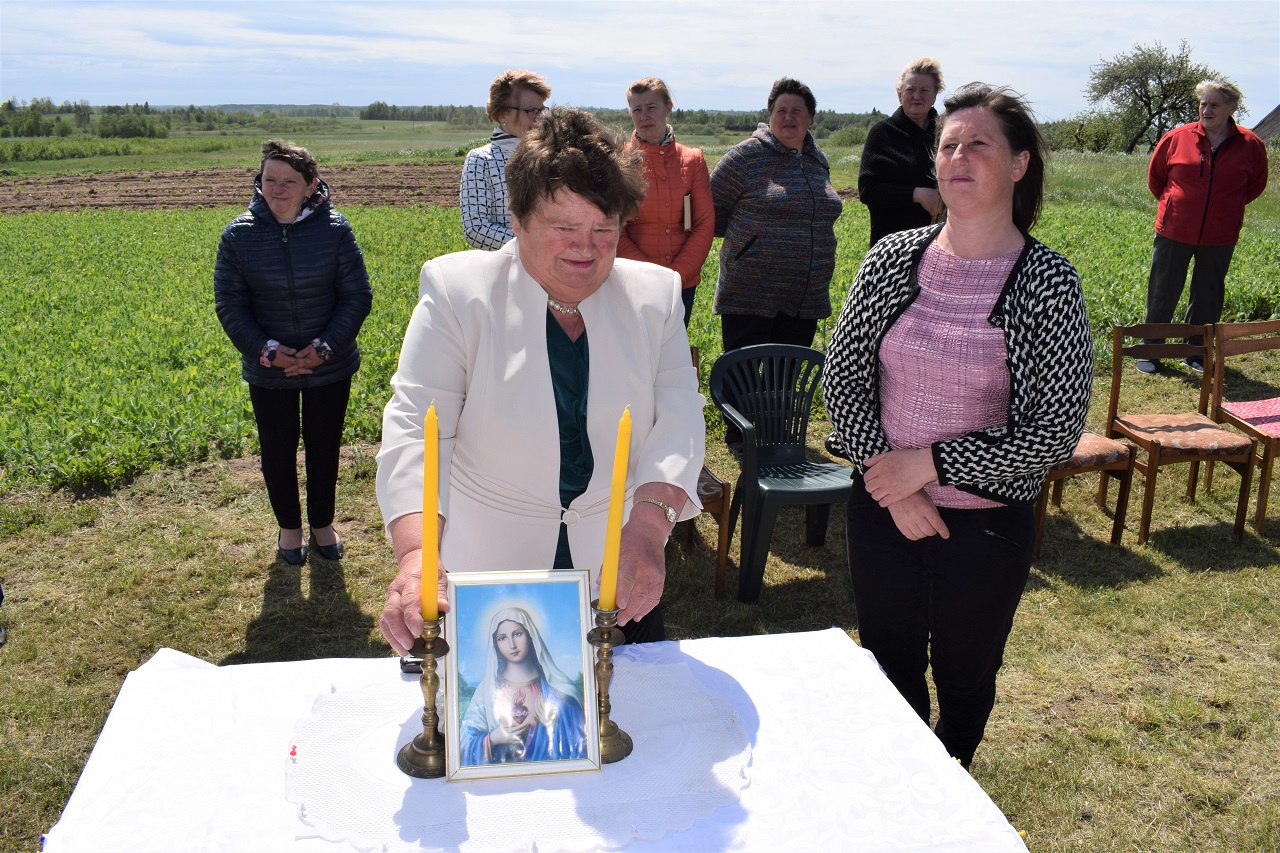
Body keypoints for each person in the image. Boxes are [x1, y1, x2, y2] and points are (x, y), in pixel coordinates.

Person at [822, 84, 1093, 769]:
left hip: (988, 526)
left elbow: (1056, 429)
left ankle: (950, 779)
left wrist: (932, 463)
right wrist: (896, 484)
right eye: (947, 145)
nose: (958, 157)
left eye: (979, 144)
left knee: (966, 675)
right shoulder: (891, 260)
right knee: (887, 666)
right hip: (883, 506)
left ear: (1020, 164)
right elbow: (843, 381)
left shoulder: (1048, 282)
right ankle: (901, 781)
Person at [377, 107, 705, 654]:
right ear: (518, 219)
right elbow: (416, 428)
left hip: (617, 567)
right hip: (488, 568)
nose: (586, 248)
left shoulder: (657, 297)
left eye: (604, 229)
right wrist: (416, 554)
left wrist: (649, 529)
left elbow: (678, 419)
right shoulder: (458, 293)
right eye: (564, 228)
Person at [215, 140, 373, 565]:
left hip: (329, 365)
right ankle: (289, 528)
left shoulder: (335, 229)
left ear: (311, 185)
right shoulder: (238, 234)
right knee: (276, 450)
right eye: (270, 180)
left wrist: (324, 348)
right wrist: (266, 351)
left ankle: (322, 524)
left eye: (288, 181)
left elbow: (356, 295)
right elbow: (230, 304)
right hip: (270, 369)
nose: (278, 189)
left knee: (324, 447)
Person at [1136, 78, 1269, 375]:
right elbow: (1157, 179)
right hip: (1174, 230)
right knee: (1162, 291)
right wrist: (1177, 205)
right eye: (1203, 103)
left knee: (1208, 295)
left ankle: (1195, 352)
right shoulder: (1176, 138)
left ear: (1232, 107)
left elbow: (1255, 186)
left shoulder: (1251, 145)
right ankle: (1150, 350)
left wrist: (1227, 209)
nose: (1206, 110)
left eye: (1214, 105)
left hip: (1220, 235)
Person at [709, 77, 843, 354]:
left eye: (797, 111)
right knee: (743, 375)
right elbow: (710, 211)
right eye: (781, 110)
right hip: (750, 296)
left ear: (810, 118)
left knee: (785, 376)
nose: (788, 117)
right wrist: (750, 244)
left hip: (804, 298)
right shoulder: (745, 156)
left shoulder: (818, 159)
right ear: (770, 115)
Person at [617, 77, 714, 327]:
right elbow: (614, 227)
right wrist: (650, 277)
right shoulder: (619, 161)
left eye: (651, 107)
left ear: (668, 107)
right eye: (637, 109)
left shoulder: (693, 160)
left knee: (674, 348)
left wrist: (677, 276)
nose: (644, 116)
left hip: (681, 284)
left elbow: (704, 223)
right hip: (634, 281)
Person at [460, 607, 587, 765]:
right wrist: (493, 738)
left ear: (530, 636)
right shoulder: (486, 691)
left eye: (517, 634)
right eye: (502, 638)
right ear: (495, 644)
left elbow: (580, 736)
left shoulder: (556, 688)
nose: (512, 644)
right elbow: (464, 741)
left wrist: (554, 723)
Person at [460, 69, 551, 250]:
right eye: (531, 111)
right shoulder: (481, 160)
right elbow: (476, 229)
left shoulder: (550, 157)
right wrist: (532, 246)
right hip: (503, 264)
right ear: (503, 114)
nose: (540, 119)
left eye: (541, 110)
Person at [859, 58, 946, 247]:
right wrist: (916, 194)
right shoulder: (882, 133)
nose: (917, 96)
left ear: (935, 95)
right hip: (893, 245)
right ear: (900, 95)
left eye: (924, 90)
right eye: (910, 89)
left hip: (939, 242)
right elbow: (867, 190)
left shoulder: (946, 133)